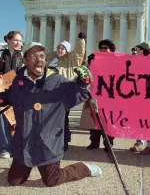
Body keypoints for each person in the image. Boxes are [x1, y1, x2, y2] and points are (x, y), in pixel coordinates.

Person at [0, 42, 102, 187]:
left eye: (42, 56)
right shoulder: (18, 82)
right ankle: (21, 164)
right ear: (25, 60)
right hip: (24, 144)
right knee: (14, 181)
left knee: (52, 180)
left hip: (47, 144)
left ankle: (84, 168)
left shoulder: (57, 81)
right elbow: (10, 96)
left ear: (46, 61)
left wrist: (83, 83)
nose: (39, 59)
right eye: (34, 55)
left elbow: (77, 93)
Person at [47, 32, 87, 151]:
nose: (60, 50)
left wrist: (81, 40)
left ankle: (64, 141)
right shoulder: (51, 59)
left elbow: (79, 53)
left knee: (62, 118)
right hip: (49, 93)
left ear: (67, 51)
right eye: (58, 48)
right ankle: (52, 140)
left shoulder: (71, 60)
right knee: (51, 119)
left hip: (63, 92)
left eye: (62, 48)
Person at [82, 39, 116, 152]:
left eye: (105, 47)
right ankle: (94, 141)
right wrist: (89, 62)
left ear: (111, 50)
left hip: (111, 96)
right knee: (95, 119)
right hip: (96, 95)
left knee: (109, 121)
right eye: (101, 47)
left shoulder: (117, 62)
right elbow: (86, 74)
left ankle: (108, 142)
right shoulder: (94, 61)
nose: (103, 49)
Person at [0, 31, 23, 159]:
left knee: (14, 120)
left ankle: (14, 147)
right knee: (2, 120)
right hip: (2, 91)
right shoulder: (2, 54)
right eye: (15, 40)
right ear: (8, 40)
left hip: (15, 91)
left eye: (19, 41)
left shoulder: (22, 56)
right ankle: (5, 148)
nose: (18, 43)